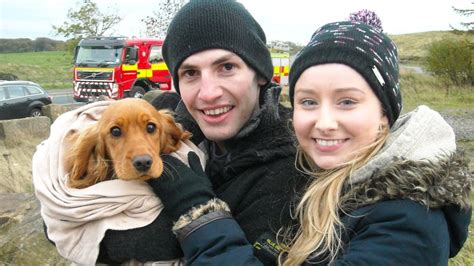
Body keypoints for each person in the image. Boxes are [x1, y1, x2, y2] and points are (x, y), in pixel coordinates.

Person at [96, 0, 307, 264]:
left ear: (261, 73)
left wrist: (190, 203)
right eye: (191, 73)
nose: (208, 93)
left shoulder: (293, 168)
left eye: (227, 67)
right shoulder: (167, 123)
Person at [283, 20, 472, 264]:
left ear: (384, 114)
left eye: (347, 101)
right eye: (308, 101)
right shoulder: (316, 176)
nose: (324, 123)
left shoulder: (409, 220)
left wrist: (216, 221)